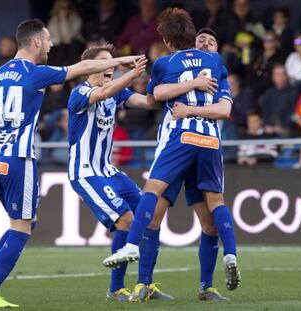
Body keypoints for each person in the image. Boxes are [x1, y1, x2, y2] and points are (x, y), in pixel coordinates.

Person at [0, 18, 143, 308]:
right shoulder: (36, 73)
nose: (51, 44)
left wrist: (0, 115)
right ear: (36, 41)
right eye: (48, 40)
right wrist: (123, 60)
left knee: (23, 222)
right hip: (19, 157)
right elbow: (83, 68)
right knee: (21, 229)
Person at [103, 8, 241, 296]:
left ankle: (133, 250)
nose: (206, 44)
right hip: (208, 143)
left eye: (210, 41)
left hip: (178, 138)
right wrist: (195, 84)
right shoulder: (216, 62)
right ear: (193, 36)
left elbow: (154, 98)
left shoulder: (165, 64)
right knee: (210, 212)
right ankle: (222, 264)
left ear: (166, 41)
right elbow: (224, 108)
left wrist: (124, 92)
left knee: (152, 197)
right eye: (202, 39)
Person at [68, 43, 174, 302]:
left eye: (112, 63)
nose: (111, 67)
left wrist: (165, 83)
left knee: (149, 216)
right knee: (126, 220)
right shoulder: (80, 92)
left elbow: (148, 102)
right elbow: (103, 93)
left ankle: (145, 284)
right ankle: (116, 289)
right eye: (105, 63)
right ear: (91, 67)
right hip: (86, 172)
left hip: (109, 171)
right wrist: (131, 73)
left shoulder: (116, 92)